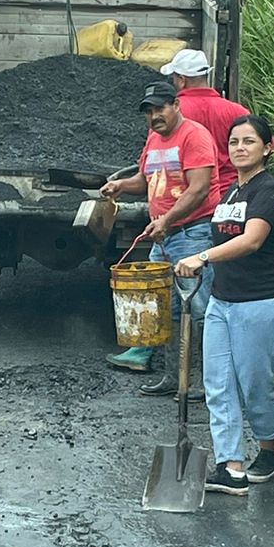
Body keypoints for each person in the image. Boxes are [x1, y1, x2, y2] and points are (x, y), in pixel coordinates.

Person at [173, 114, 274, 496]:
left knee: (254, 385)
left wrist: (202, 257)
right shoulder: (231, 192)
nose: (240, 148)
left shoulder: (268, 190)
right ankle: (231, 466)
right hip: (222, 303)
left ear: (268, 147)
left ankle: (269, 453)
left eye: (249, 141)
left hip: (261, 303)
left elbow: (252, 240)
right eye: (234, 142)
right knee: (218, 385)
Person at [101, 80, 219, 395]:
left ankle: (207, 385)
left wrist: (166, 219)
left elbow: (199, 188)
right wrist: (121, 186)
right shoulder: (154, 139)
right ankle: (175, 379)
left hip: (193, 233)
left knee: (199, 309)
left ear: (176, 105)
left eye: (160, 109)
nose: (154, 116)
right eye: (149, 112)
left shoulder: (195, 136)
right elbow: (147, 178)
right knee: (168, 310)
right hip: (165, 236)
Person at [160, 48, 246, 198]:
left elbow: (158, 155)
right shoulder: (238, 112)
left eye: (174, 78)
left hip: (185, 199)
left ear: (182, 80)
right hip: (230, 196)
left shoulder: (172, 113)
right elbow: (264, 146)